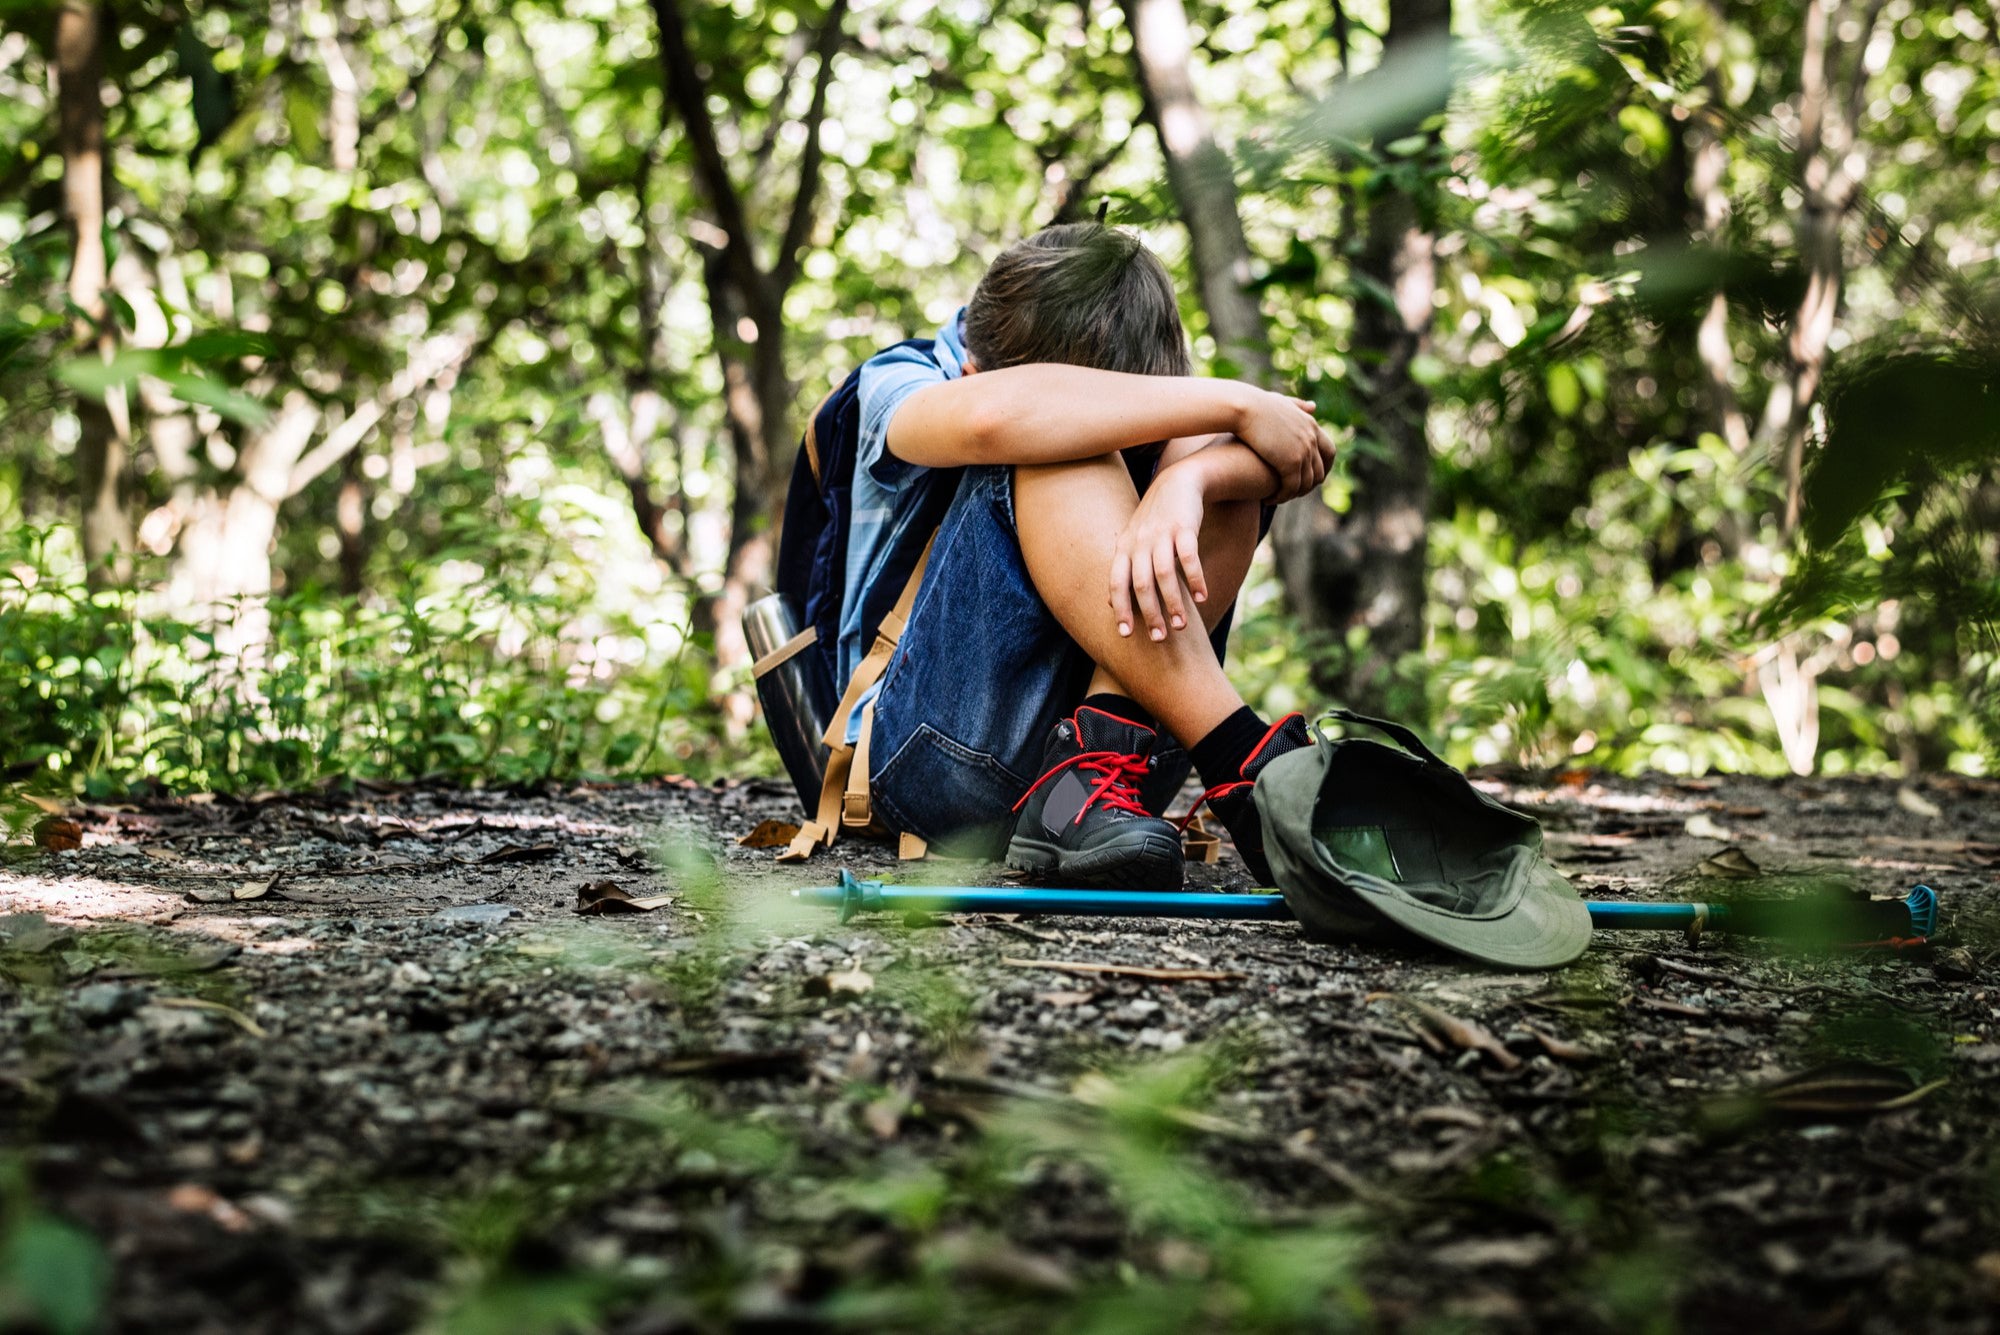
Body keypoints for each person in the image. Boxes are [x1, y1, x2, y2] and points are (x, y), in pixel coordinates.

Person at [844, 222, 1335, 889]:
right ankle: (1239, 754)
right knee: (1054, 437)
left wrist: (1185, 481)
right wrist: (1242, 399)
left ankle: (1098, 748)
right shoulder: (901, 377)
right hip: (939, 758)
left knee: (1207, 445)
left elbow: (1300, 455)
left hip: (1120, 787)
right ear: (970, 369)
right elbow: (992, 419)